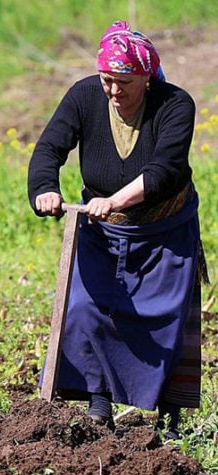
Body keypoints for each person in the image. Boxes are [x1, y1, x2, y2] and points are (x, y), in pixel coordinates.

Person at [27, 20, 208, 439]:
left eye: (124, 82)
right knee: (84, 309)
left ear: (147, 76)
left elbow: (165, 170)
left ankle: (170, 415)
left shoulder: (176, 104)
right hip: (102, 229)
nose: (113, 90)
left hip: (163, 230)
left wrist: (116, 201)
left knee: (166, 319)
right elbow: (50, 148)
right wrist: (44, 190)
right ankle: (98, 403)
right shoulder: (84, 96)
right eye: (108, 80)